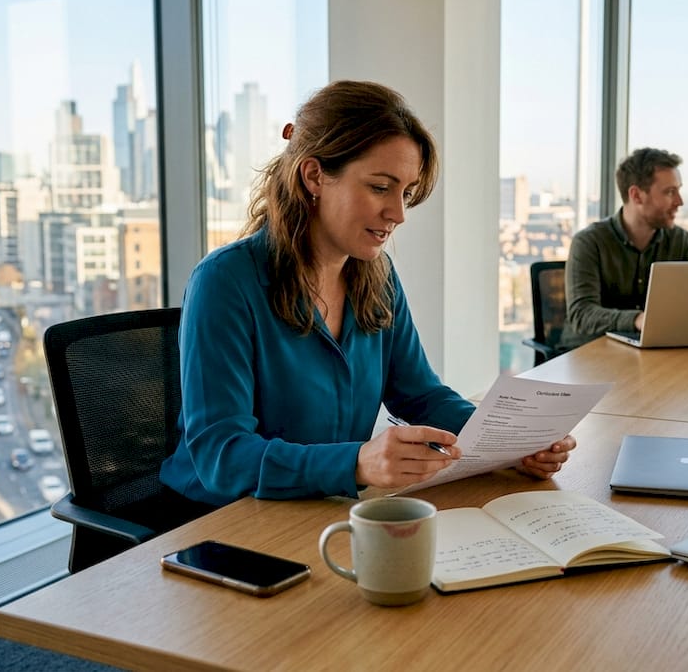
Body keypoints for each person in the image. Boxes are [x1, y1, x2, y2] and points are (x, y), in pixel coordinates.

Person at [161, 80, 575, 507]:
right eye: (380, 187)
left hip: (320, 507)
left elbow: (421, 395)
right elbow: (221, 455)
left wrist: (512, 441)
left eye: (406, 193)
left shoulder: (378, 277)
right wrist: (357, 463)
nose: (398, 213)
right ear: (314, 176)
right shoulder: (225, 282)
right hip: (219, 519)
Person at [559, 147, 688, 349]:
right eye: (670, 192)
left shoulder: (681, 241)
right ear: (636, 195)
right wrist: (637, 320)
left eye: (678, 190)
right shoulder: (589, 242)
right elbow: (582, 314)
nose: (680, 201)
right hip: (590, 353)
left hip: (651, 351)